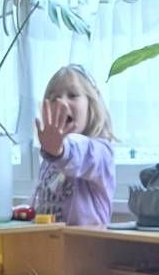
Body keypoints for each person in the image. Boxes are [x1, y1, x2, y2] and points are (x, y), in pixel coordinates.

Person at [33, 66, 116, 228]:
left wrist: (60, 151)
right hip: (50, 246)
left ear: (92, 105)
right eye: (53, 97)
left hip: (87, 249)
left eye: (72, 95)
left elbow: (81, 153)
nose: (61, 102)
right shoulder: (48, 161)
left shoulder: (102, 153)